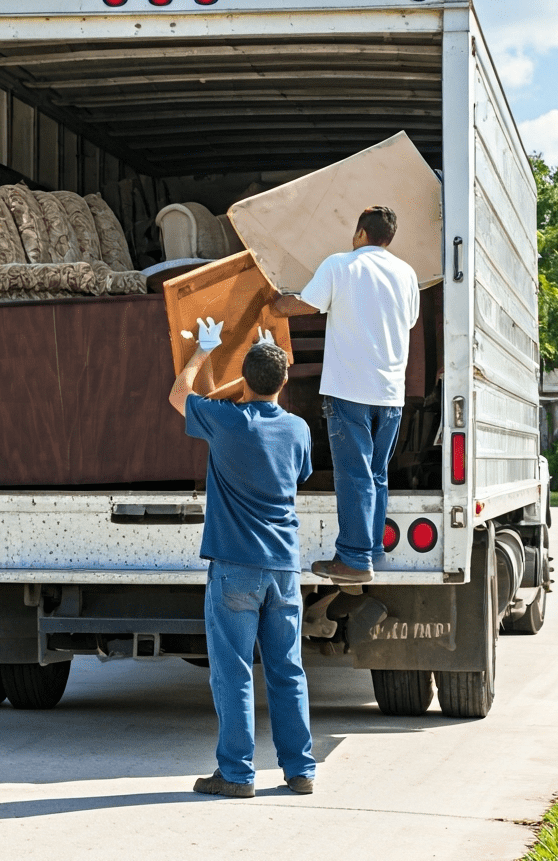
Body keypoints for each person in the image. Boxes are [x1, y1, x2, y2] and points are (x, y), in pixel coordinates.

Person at [169, 320, 316, 799]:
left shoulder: (227, 423)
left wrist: (202, 351)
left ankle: (236, 775)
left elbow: (180, 395)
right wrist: (269, 352)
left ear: (245, 380)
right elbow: (300, 472)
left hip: (235, 566)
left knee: (234, 671)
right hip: (284, 569)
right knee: (287, 670)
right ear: (285, 380)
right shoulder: (298, 430)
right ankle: (300, 771)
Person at [272, 205, 419, 584]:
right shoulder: (406, 274)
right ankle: (369, 552)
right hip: (390, 395)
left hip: (350, 391)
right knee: (375, 475)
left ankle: (353, 560)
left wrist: (277, 302)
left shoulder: (341, 265)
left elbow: (303, 306)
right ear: (389, 238)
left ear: (359, 234)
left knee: (354, 476)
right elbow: (411, 319)